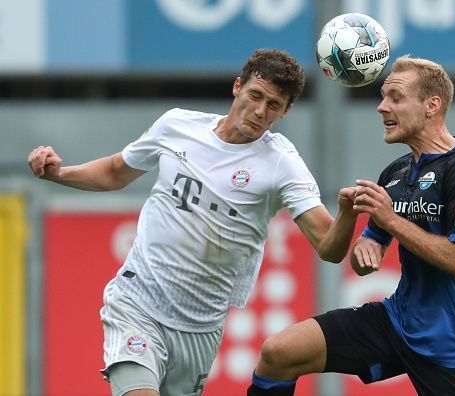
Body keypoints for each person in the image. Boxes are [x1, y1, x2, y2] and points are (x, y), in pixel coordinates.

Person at [27, 49, 361, 396]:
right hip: (137, 301)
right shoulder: (177, 126)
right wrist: (60, 174)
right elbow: (115, 172)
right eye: (255, 95)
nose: (261, 111)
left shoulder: (281, 163)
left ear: (286, 110)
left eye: (274, 105)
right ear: (237, 87)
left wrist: (348, 215)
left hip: (200, 325)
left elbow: (328, 247)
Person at [247, 55, 455, 396]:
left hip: (454, 346)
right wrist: (365, 247)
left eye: (395, 98)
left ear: (431, 105)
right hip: (397, 321)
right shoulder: (395, 173)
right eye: (383, 97)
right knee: (279, 353)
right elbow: (365, 255)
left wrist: (390, 220)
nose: (382, 107)